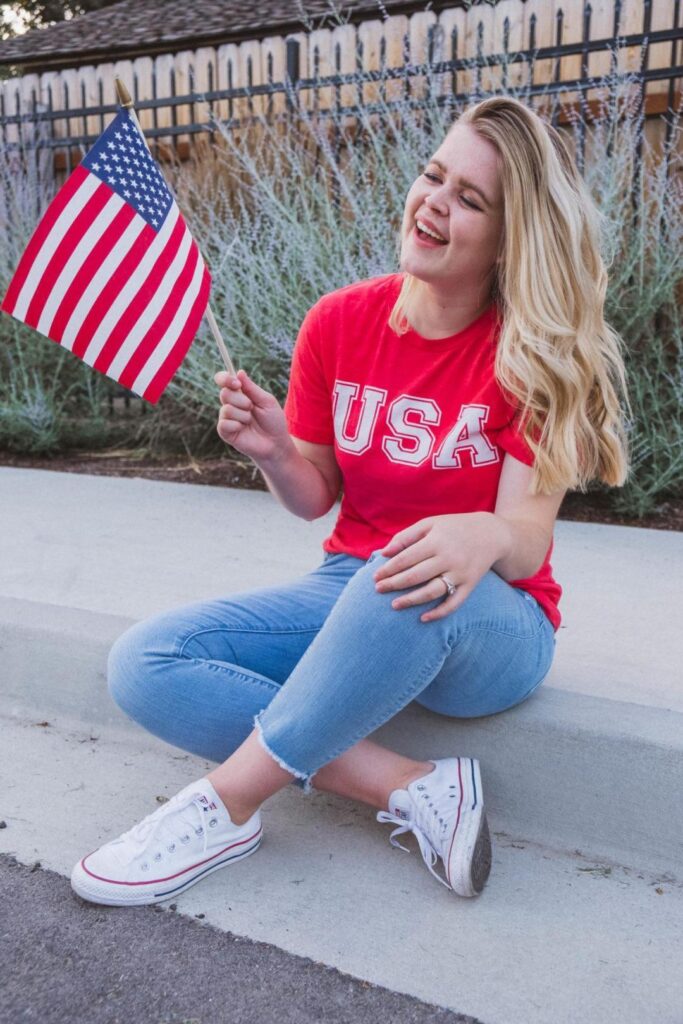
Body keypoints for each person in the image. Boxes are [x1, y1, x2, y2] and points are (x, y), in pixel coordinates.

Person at [70, 95, 630, 907]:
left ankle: (223, 805)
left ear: (512, 239)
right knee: (145, 663)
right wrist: (270, 451)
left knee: (407, 561)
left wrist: (481, 533)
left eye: (469, 199)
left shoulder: (531, 353)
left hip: (492, 623)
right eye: (433, 176)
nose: (434, 202)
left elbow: (527, 541)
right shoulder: (339, 323)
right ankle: (412, 786)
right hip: (355, 589)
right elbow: (317, 497)